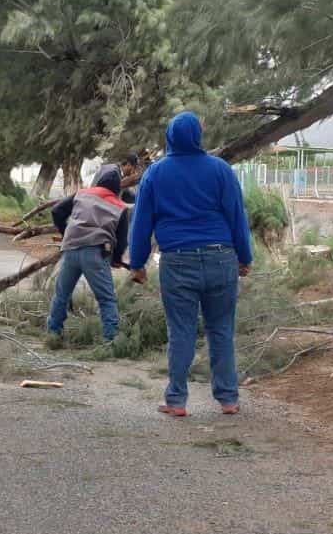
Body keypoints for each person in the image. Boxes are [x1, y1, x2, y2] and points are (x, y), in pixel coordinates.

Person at [128, 111, 252, 417]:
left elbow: (142, 221)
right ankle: (228, 399)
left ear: (170, 136)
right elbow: (237, 215)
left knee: (181, 331)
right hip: (221, 257)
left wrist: (138, 262)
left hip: (178, 260)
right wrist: (244, 257)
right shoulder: (220, 170)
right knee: (221, 330)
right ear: (198, 135)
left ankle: (176, 400)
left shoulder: (156, 173)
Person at [47, 165, 133, 343]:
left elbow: (56, 211)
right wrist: (116, 259)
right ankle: (110, 341)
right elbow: (122, 238)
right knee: (106, 299)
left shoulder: (82, 193)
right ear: (118, 186)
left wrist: (67, 233)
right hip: (96, 252)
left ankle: (53, 334)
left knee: (62, 295)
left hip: (71, 250)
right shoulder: (120, 206)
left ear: (99, 179)